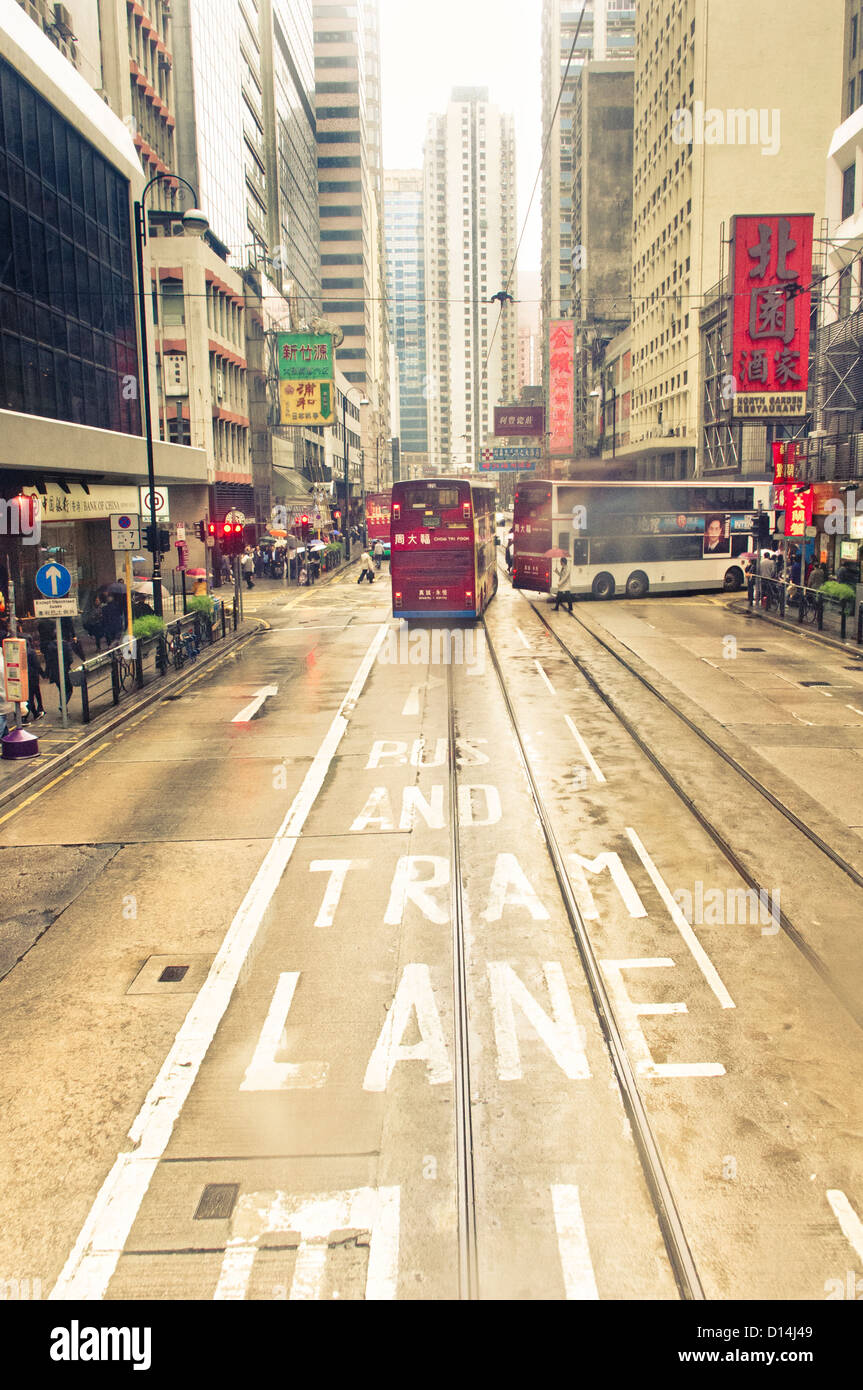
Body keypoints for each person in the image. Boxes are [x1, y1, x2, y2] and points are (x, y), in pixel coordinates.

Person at [22, 634, 44, 722]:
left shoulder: (20, 652)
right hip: (33, 675)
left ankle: (32, 713)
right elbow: (37, 664)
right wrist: (42, 673)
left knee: (29, 695)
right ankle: (30, 714)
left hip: (24, 675)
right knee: (34, 693)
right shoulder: (31, 652)